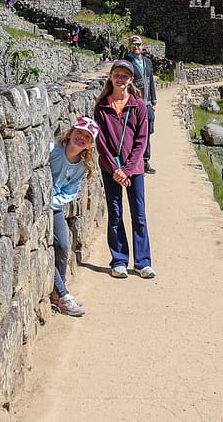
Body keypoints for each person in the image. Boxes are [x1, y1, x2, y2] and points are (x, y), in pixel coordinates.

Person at [94, 60, 153, 279]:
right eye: (117, 75)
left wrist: (126, 170)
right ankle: (119, 260)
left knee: (139, 214)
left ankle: (142, 262)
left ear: (131, 80)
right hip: (110, 168)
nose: (121, 79)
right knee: (116, 213)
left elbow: (141, 140)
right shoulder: (101, 108)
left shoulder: (137, 106)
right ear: (110, 77)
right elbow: (101, 142)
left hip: (133, 169)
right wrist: (115, 169)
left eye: (125, 76)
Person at [48, 116, 100, 317]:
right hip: (38, 206)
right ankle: (63, 295)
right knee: (49, 248)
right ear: (70, 133)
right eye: (79, 132)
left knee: (62, 246)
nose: (81, 137)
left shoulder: (80, 167)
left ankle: (58, 294)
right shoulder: (52, 151)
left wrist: (52, 200)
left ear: (89, 145)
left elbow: (70, 193)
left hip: (55, 207)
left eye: (87, 137)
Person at [125, 35, 158, 174]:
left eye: (138, 45)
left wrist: (154, 100)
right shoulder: (126, 63)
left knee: (147, 133)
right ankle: (134, 162)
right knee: (134, 133)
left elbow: (150, 82)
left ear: (142, 46)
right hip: (134, 104)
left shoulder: (147, 62)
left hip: (147, 103)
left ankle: (145, 161)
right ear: (129, 48)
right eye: (133, 46)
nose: (136, 48)